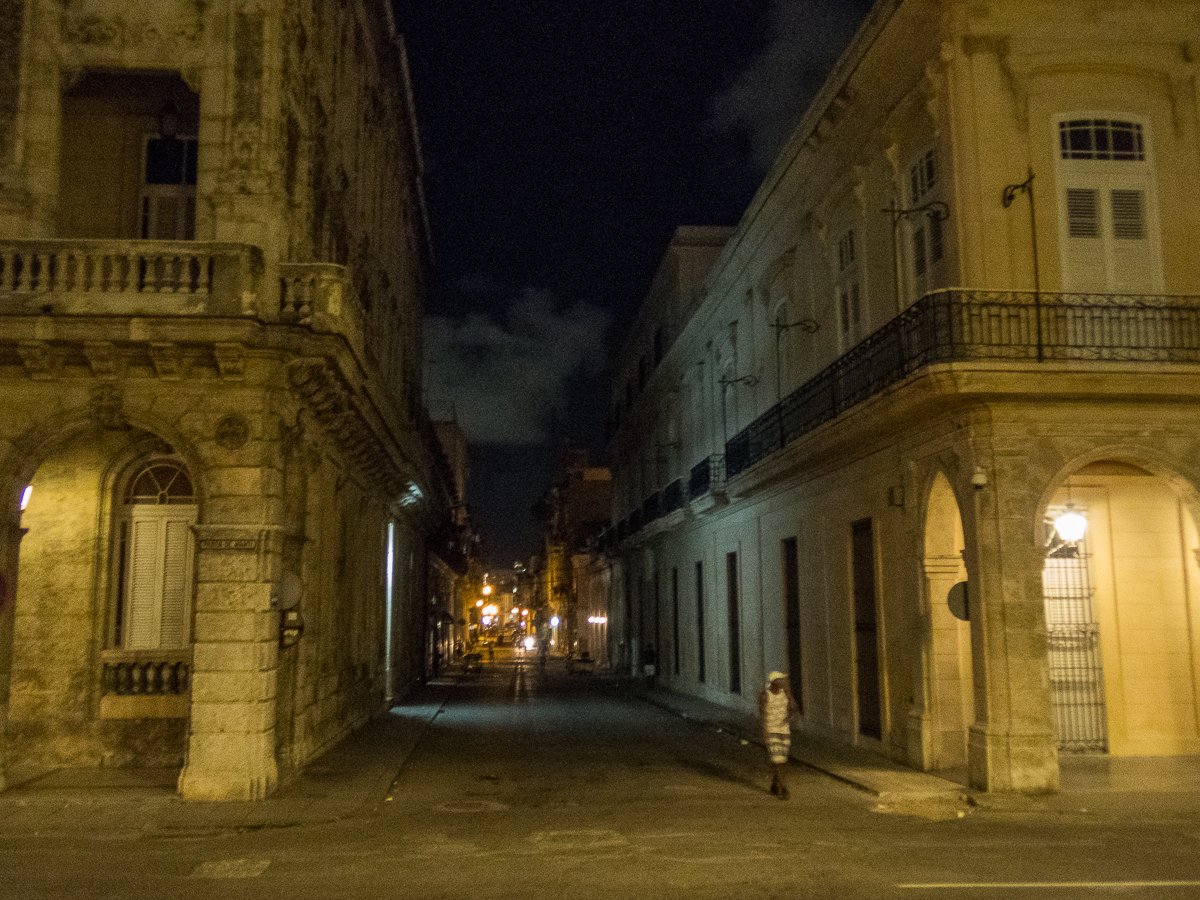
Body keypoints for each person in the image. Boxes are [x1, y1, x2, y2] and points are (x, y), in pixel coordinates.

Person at [758, 670, 799, 799]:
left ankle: (775, 784)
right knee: (776, 759)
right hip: (771, 729)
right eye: (779, 680)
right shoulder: (765, 695)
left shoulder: (785, 694)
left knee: (783, 759)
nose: (781, 682)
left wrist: (789, 717)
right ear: (773, 682)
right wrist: (764, 731)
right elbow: (762, 715)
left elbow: (794, 708)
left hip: (784, 730)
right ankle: (783, 786)